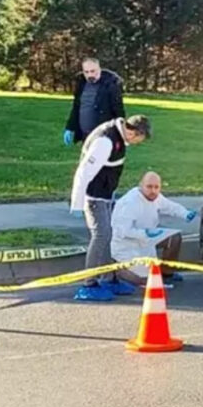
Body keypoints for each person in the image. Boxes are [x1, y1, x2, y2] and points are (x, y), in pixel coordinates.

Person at [70, 115, 152, 301]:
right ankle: (88, 284)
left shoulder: (118, 137)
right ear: (133, 132)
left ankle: (108, 278)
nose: (139, 143)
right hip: (94, 197)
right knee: (101, 236)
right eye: (140, 139)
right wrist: (77, 203)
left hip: (105, 196)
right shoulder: (106, 141)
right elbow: (84, 172)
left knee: (108, 235)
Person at [110, 172, 197, 286]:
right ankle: (118, 271)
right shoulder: (129, 203)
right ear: (141, 185)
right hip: (127, 247)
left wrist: (185, 213)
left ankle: (167, 273)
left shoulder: (156, 197)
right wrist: (144, 233)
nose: (153, 191)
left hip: (146, 241)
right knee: (146, 282)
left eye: (156, 187)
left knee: (174, 238)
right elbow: (122, 231)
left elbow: (170, 206)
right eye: (149, 187)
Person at [64, 58, 125, 145]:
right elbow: (77, 107)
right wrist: (70, 127)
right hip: (85, 135)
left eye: (93, 71)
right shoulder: (81, 84)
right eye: (86, 72)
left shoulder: (111, 85)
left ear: (99, 69)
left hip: (103, 135)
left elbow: (118, 110)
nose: (90, 75)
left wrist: (120, 133)